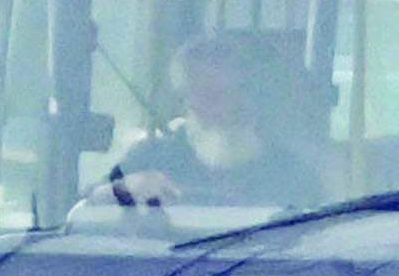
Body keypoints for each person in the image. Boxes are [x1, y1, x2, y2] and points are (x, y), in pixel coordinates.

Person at [112, 33, 312, 206]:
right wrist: (125, 187)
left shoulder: (288, 171)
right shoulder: (152, 156)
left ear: (246, 93)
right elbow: (85, 206)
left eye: (213, 93)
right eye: (189, 94)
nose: (198, 105)